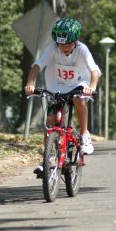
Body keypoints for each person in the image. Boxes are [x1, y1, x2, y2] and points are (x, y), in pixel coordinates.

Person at [24, 17, 101, 175]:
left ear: (76, 41)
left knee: (78, 99)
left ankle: (85, 134)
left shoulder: (82, 49)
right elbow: (37, 65)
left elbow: (94, 71)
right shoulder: (52, 48)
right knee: (51, 118)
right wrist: (30, 83)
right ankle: (47, 158)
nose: (63, 47)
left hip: (80, 83)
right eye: (60, 44)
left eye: (68, 44)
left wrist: (92, 87)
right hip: (57, 84)